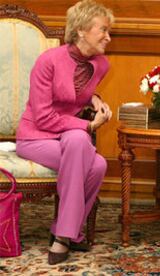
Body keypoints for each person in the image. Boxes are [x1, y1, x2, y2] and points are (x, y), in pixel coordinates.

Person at [15, 0, 114, 265]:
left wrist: (95, 99)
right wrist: (88, 126)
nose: (108, 36)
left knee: (93, 157)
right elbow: (43, 116)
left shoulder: (101, 65)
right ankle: (68, 234)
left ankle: (63, 232)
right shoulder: (48, 60)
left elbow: (78, 94)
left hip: (69, 136)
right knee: (95, 161)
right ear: (81, 30)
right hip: (35, 136)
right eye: (102, 30)